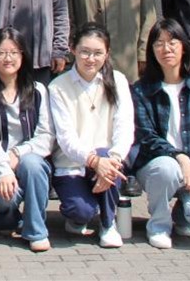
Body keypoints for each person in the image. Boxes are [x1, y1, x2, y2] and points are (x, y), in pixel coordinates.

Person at [131, 20, 190, 249]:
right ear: (152, 51)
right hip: (158, 165)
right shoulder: (141, 90)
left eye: (172, 42)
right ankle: (158, 225)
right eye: (159, 43)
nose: (166, 49)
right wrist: (181, 158)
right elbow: (147, 137)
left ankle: (182, 216)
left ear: (184, 46)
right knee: (167, 167)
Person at [48, 25, 134, 249]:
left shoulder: (118, 81)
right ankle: (79, 217)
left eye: (97, 53)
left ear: (107, 53)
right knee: (81, 211)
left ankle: (108, 224)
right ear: (72, 49)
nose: (91, 59)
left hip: (108, 161)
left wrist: (112, 159)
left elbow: (124, 126)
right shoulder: (58, 87)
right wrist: (94, 161)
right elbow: (65, 138)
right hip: (72, 164)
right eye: (85, 52)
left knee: (108, 156)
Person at [0, 27, 55, 252]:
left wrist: (18, 154)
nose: (7, 58)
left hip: (29, 161)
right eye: (1, 53)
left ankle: (36, 231)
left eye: (13, 52)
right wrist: (4, 169)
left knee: (33, 165)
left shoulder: (38, 91)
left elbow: (47, 136)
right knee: (6, 197)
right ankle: (8, 215)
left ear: (23, 55)